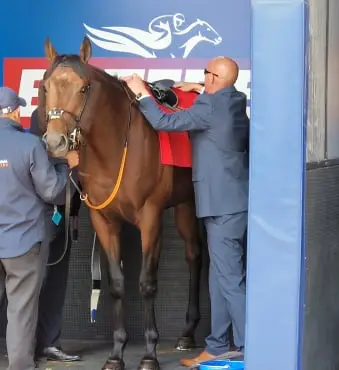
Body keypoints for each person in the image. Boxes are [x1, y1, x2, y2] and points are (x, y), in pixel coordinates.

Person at [123, 56, 249, 367]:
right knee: (220, 278)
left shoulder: (208, 107)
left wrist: (141, 92)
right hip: (234, 202)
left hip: (221, 205)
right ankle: (218, 344)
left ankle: (251, 348)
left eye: (206, 74)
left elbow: (164, 122)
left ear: (213, 79)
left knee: (230, 280)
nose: (202, 77)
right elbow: (214, 108)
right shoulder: (234, 103)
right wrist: (201, 89)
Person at [0, 86, 79, 370]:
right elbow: (53, 193)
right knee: (21, 313)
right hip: (24, 244)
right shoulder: (30, 145)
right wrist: (66, 167)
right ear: (16, 113)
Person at [28, 107, 83, 362]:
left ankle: (49, 342)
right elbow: (41, 166)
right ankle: (26, 347)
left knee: (57, 281)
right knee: (35, 283)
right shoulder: (40, 117)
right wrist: (66, 163)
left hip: (64, 212)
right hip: (41, 215)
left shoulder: (78, 115)